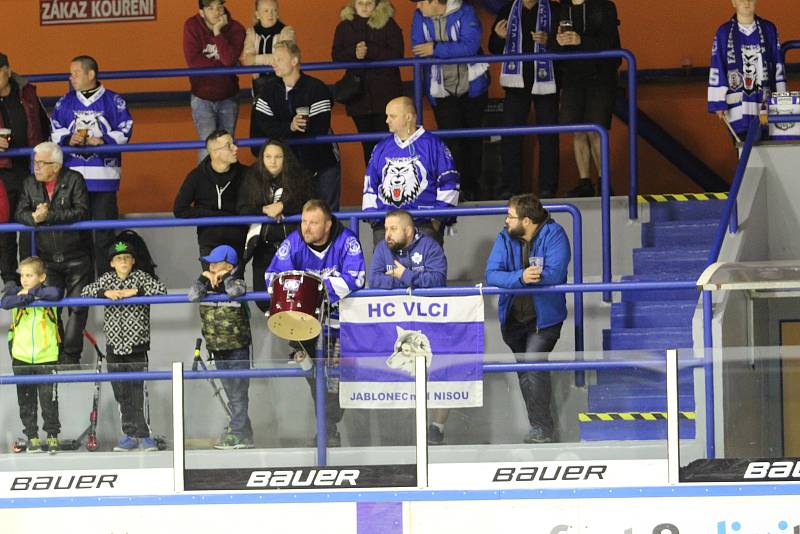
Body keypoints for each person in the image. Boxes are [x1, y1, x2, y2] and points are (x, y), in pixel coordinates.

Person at [266, 199, 366, 446]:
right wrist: (308, 293)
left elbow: (356, 279)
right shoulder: (294, 242)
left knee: (334, 381)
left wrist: (312, 290)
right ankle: (327, 429)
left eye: (313, 222)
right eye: (304, 221)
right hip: (303, 324)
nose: (306, 228)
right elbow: (273, 277)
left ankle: (328, 428)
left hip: (338, 324)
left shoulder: (347, 240)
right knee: (316, 379)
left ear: (328, 224)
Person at [485, 193, 570, 443]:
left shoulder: (555, 234)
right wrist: (521, 278)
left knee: (533, 364)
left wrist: (523, 278)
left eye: (510, 217)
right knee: (525, 372)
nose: (505, 221)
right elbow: (491, 275)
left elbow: (554, 275)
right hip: (513, 320)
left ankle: (542, 428)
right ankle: (540, 425)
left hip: (545, 320)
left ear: (527, 221)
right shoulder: (504, 237)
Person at [80, 240, 167, 452]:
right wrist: (104, 293)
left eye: (127, 258)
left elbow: (161, 290)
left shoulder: (141, 277)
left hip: (137, 345)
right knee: (121, 392)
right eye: (119, 258)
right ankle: (129, 434)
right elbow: (84, 292)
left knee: (139, 390)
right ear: (112, 263)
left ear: (133, 260)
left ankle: (145, 436)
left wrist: (135, 291)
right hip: (113, 347)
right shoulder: (106, 280)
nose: (123, 261)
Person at [50, 55, 133, 275]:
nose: (71, 77)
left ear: (91, 74)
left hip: (104, 179)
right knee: (77, 238)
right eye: (70, 73)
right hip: (72, 181)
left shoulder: (114, 101)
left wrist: (102, 140)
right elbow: (54, 130)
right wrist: (69, 139)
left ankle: (105, 285)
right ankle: (82, 289)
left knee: (104, 236)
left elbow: (125, 130)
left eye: (75, 73)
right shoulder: (64, 102)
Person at [16, 142, 91, 366]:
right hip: (47, 260)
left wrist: (50, 216)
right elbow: (20, 212)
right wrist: (35, 219)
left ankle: (70, 359)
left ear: (56, 166)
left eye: (41, 163)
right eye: (34, 162)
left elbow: (82, 211)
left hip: (77, 257)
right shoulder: (29, 183)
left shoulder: (75, 179)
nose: (36, 167)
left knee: (77, 309)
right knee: (51, 308)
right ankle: (54, 355)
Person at [410, 0, 489, 201]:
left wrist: (436, 49)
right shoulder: (419, 17)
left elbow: (471, 46)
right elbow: (418, 48)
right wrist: (451, 49)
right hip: (441, 89)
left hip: (472, 87)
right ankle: (455, 188)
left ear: (435, 2)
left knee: (473, 139)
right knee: (450, 142)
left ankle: (472, 187)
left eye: (421, 2)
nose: (418, 6)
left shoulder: (466, 12)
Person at [251, 41, 342, 211]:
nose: (274, 63)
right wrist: (290, 127)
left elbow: (320, 127)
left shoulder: (317, 88)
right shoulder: (268, 91)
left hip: (323, 161)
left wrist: (288, 131)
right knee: (298, 217)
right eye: (273, 59)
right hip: (289, 168)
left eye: (279, 59)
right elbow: (263, 126)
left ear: (294, 61)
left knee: (328, 214)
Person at [362, 96, 460, 247]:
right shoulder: (381, 147)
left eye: (392, 116)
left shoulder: (434, 145)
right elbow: (370, 183)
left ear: (408, 117)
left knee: (426, 270)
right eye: (387, 116)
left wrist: (437, 218)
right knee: (385, 270)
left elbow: (449, 181)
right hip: (386, 225)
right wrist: (374, 219)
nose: (387, 120)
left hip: (423, 224)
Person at [489, 0, 560, 199]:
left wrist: (550, 41)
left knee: (549, 137)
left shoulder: (554, 9)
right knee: (510, 136)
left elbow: (565, 46)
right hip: (515, 84)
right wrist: (498, 37)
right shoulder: (507, 10)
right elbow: (493, 47)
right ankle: (511, 188)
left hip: (548, 82)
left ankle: (548, 188)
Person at [553, 0, 621, 198]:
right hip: (572, 77)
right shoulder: (561, 8)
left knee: (595, 130)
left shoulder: (605, 7)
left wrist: (580, 40)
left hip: (600, 77)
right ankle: (585, 182)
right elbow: (553, 44)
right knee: (578, 131)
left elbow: (612, 44)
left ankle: (603, 181)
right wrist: (556, 42)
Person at [190, 245, 255, 449]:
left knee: (238, 392)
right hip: (217, 348)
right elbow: (191, 295)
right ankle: (243, 431)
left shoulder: (237, 282)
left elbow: (234, 291)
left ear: (228, 266)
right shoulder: (205, 286)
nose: (210, 266)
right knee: (230, 392)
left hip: (237, 347)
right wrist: (203, 278)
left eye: (215, 263)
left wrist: (226, 276)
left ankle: (238, 432)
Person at [236, 139, 313, 311]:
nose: (273, 161)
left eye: (278, 157)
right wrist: (264, 210)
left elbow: (310, 203)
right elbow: (242, 209)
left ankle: (298, 335)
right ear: (261, 159)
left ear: (285, 159)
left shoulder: (299, 177)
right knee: (264, 301)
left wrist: (283, 206)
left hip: (294, 246)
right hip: (262, 247)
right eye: (268, 156)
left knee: (299, 299)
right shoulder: (251, 178)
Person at [2, 256, 63, 453]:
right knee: (26, 401)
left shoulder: (48, 293)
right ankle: (32, 438)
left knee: (49, 401)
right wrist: (25, 296)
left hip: (47, 357)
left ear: (42, 277)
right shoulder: (15, 292)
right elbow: (5, 300)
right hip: (21, 357)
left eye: (30, 275)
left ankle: (52, 436)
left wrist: (31, 293)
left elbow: (56, 293)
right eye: (23, 276)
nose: (24, 280)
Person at [332, 0, 404, 165]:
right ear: (353, 4)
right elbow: (336, 55)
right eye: (360, 3)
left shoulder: (388, 23)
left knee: (389, 145)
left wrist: (370, 50)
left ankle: (389, 187)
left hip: (386, 96)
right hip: (359, 97)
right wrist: (354, 53)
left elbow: (397, 53)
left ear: (377, 4)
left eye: (369, 3)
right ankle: (374, 186)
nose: (364, 6)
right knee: (369, 148)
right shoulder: (344, 26)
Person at [0, 52, 49, 285]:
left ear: (8, 71)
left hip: (31, 168)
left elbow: (44, 125)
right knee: (5, 224)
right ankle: (10, 278)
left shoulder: (27, 92)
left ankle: (31, 277)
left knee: (32, 223)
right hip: (2, 171)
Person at [708, 0, 785, 139]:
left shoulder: (768, 29)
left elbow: (778, 64)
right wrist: (718, 102)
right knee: (745, 153)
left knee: (769, 149)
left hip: (765, 103)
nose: (746, 2)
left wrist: (782, 98)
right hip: (737, 108)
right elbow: (717, 65)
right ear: (733, 2)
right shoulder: (724, 32)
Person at [184, 0, 246, 161]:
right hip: (202, 97)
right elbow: (193, 61)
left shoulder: (236, 29)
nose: (216, 11)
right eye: (210, 8)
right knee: (208, 148)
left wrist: (218, 32)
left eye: (219, 6)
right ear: (202, 12)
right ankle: (206, 187)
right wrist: (221, 66)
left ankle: (227, 186)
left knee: (227, 148)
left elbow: (228, 61)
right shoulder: (191, 26)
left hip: (228, 97)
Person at [174, 130, 248, 262]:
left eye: (234, 144)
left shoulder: (246, 174)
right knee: (213, 280)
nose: (235, 148)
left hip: (238, 237)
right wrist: (215, 215)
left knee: (234, 281)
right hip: (209, 239)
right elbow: (179, 209)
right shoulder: (196, 176)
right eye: (228, 145)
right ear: (214, 152)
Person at [368, 209, 447, 289]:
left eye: (393, 229)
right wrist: (407, 281)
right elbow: (373, 280)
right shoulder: (382, 247)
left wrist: (404, 275)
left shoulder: (430, 246)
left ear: (409, 231)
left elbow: (439, 280)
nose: (387, 235)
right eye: (386, 229)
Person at [240, 0, 296, 92]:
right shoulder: (252, 32)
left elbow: (285, 58)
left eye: (274, 10)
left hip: (283, 83)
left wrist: (255, 59)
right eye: (266, 11)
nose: (271, 14)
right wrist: (273, 59)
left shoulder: (286, 31)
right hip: (259, 84)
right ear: (257, 14)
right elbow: (246, 60)